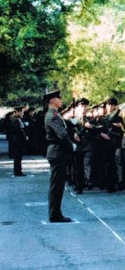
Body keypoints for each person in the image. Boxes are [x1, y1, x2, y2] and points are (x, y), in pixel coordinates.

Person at [44, 90, 73, 223]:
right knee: (56, 185)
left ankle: (56, 212)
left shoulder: (55, 114)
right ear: (52, 100)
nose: (61, 100)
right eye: (58, 98)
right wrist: (71, 145)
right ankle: (54, 214)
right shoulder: (53, 115)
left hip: (57, 151)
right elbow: (62, 134)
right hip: (58, 151)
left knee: (58, 184)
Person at [8, 106, 28, 176]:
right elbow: (20, 131)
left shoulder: (15, 119)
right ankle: (18, 171)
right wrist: (25, 137)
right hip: (17, 140)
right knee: (18, 157)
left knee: (18, 157)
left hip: (16, 140)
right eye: (21, 112)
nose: (22, 113)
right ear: (17, 112)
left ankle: (18, 170)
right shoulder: (16, 120)